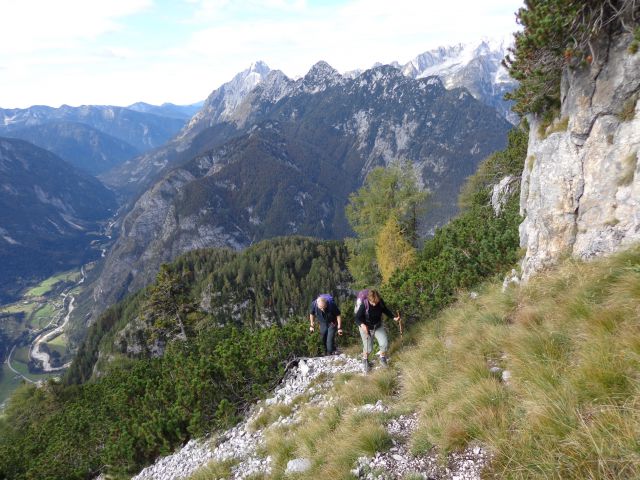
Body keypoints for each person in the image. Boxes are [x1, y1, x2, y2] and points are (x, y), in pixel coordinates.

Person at [355, 289, 400, 372]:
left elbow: (385, 310)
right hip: (366, 327)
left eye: (376, 302)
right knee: (368, 348)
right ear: (369, 300)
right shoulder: (364, 304)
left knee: (384, 344)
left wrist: (394, 318)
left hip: (377, 326)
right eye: (373, 303)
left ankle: (382, 358)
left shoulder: (380, 302)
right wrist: (362, 325)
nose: (375, 304)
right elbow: (357, 318)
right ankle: (365, 360)